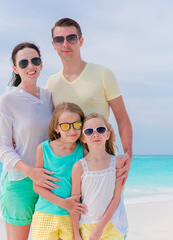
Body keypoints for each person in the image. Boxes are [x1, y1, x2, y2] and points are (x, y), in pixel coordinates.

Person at [46, 18, 133, 181]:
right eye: (59, 39)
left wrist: (128, 152)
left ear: (81, 41)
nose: (65, 44)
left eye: (71, 38)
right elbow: (50, 124)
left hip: (103, 160)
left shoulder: (103, 74)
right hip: (68, 165)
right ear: (54, 45)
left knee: (109, 207)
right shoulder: (52, 82)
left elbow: (122, 119)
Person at [0, 42, 60, 240]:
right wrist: (31, 172)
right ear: (15, 69)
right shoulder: (8, 101)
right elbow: (3, 149)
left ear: (41, 63)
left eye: (35, 60)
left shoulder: (50, 97)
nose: (30, 66)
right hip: (19, 182)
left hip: (50, 181)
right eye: (23, 63)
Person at [32, 102, 88, 240]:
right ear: (57, 128)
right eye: (65, 125)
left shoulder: (84, 151)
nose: (72, 130)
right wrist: (63, 203)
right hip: (45, 213)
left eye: (76, 124)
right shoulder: (44, 149)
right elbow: (36, 186)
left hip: (71, 216)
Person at [71, 113, 128, 240]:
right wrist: (76, 234)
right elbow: (75, 203)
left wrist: (100, 228)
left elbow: (116, 198)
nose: (95, 134)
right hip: (86, 226)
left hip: (113, 225)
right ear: (83, 138)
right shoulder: (79, 167)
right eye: (89, 131)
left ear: (107, 134)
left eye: (100, 130)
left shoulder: (118, 163)